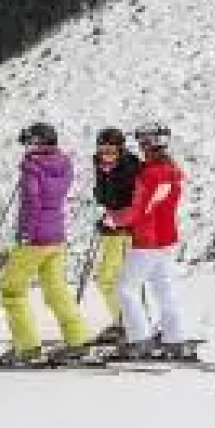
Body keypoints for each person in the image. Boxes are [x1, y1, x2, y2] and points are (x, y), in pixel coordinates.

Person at [0, 123, 91, 367]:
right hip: (57, 235)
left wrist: (26, 233)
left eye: (29, 141)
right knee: (56, 290)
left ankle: (27, 347)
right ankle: (77, 340)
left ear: (38, 142)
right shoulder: (64, 164)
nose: (26, 146)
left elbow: (32, 203)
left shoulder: (32, 168)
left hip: (36, 238)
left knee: (12, 290)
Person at [103, 122, 194, 361]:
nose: (141, 147)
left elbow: (139, 209)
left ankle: (139, 339)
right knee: (164, 290)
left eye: (143, 142)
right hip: (167, 238)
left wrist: (112, 220)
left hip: (147, 241)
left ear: (151, 144)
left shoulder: (150, 174)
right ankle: (175, 339)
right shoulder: (172, 170)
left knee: (125, 289)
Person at [90, 126, 142, 344]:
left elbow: (136, 204)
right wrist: (106, 219)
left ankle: (129, 324)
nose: (106, 155)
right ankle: (123, 321)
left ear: (121, 150)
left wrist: (119, 222)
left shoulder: (130, 168)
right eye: (102, 150)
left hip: (126, 231)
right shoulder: (103, 167)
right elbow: (106, 198)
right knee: (107, 278)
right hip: (113, 228)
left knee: (112, 278)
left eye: (111, 150)